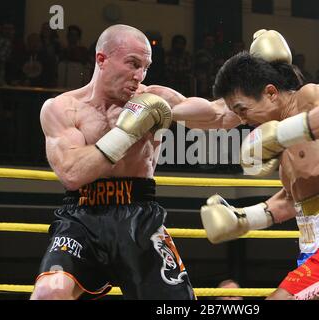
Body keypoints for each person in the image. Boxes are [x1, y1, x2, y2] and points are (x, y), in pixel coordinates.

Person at [200, 30, 319, 300]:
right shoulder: (284, 148)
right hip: (317, 245)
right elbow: (291, 201)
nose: (242, 120)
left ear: (270, 93)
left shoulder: (310, 97)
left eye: (243, 109)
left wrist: (280, 135)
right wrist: (242, 219)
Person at [31, 24, 196, 300]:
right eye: (133, 64)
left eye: (145, 67)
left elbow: (220, 114)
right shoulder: (62, 108)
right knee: (49, 292)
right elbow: (72, 173)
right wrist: (125, 134)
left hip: (139, 214)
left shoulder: (153, 98)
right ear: (101, 59)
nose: (139, 75)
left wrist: (261, 79)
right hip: (81, 216)